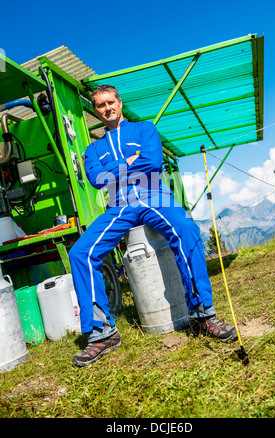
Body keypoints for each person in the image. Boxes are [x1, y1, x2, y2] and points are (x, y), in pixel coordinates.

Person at [69, 84, 237, 367]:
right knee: (80, 253)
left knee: (186, 229)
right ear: (96, 111)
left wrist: (117, 170)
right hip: (118, 205)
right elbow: (96, 179)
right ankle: (102, 334)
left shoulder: (145, 129)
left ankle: (202, 315)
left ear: (120, 103)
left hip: (153, 195)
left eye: (111, 102)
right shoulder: (93, 148)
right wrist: (130, 162)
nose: (107, 108)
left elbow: (152, 162)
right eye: (100, 105)